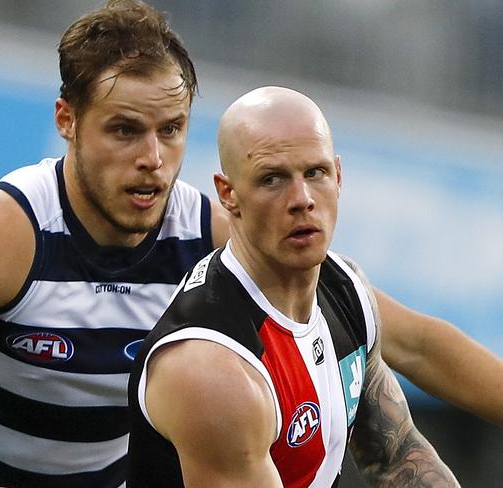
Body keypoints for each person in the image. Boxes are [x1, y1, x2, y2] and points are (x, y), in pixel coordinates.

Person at [0, 0, 498, 486]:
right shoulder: (8, 233)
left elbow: (416, 343)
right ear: (66, 121)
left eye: (172, 129)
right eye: (125, 130)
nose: (153, 160)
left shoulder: (205, 229)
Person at [127, 86, 460, 487]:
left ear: (338, 176)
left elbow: (398, 456)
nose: (302, 199)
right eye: (273, 179)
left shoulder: (346, 289)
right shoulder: (211, 368)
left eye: (315, 173)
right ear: (229, 195)